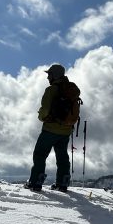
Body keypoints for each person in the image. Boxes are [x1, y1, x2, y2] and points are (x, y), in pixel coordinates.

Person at [26, 63, 80, 192]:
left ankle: (35, 182)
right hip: (66, 130)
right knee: (62, 156)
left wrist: (41, 117)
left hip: (50, 129)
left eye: (49, 74)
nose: (47, 77)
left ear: (54, 75)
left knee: (40, 154)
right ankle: (63, 182)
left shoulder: (51, 90)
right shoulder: (71, 89)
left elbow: (45, 110)